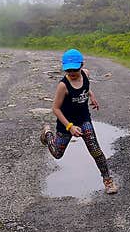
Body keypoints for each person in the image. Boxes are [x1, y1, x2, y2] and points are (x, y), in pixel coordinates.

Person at [40, 48, 119, 194]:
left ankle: (108, 181)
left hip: (83, 119)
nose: (71, 73)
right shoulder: (63, 86)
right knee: (57, 153)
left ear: (82, 65)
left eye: (74, 69)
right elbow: (55, 109)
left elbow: (86, 87)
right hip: (66, 123)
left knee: (95, 150)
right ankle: (47, 134)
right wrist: (69, 126)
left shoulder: (86, 74)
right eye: (68, 70)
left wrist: (92, 96)